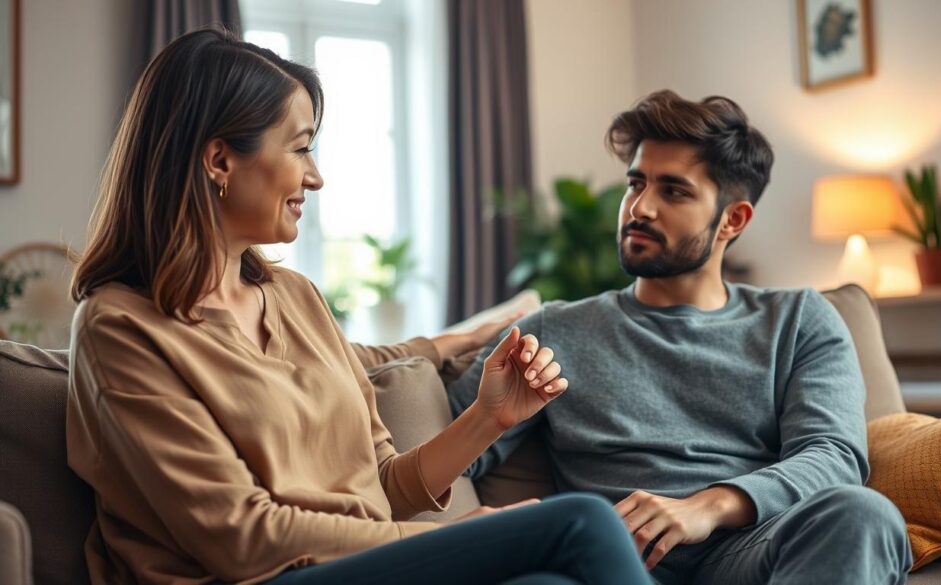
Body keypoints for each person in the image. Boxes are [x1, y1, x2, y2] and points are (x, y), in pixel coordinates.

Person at [66, 28, 651, 585]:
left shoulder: (296, 298)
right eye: (300, 149)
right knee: (582, 520)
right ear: (219, 160)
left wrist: (486, 419)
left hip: (358, 569)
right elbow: (240, 537)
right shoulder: (118, 327)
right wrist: (434, 543)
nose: (315, 177)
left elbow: (381, 487)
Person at [448, 90, 913, 585]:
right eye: (636, 183)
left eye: (673, 191)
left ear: (732, 220)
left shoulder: (799, 319)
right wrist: (427, 351)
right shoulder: (553, 329)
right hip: (612, 562)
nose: (639, 207)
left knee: (863, 514)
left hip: (748, 552)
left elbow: (833, 455)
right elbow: (441, 452)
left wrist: (708, 506)